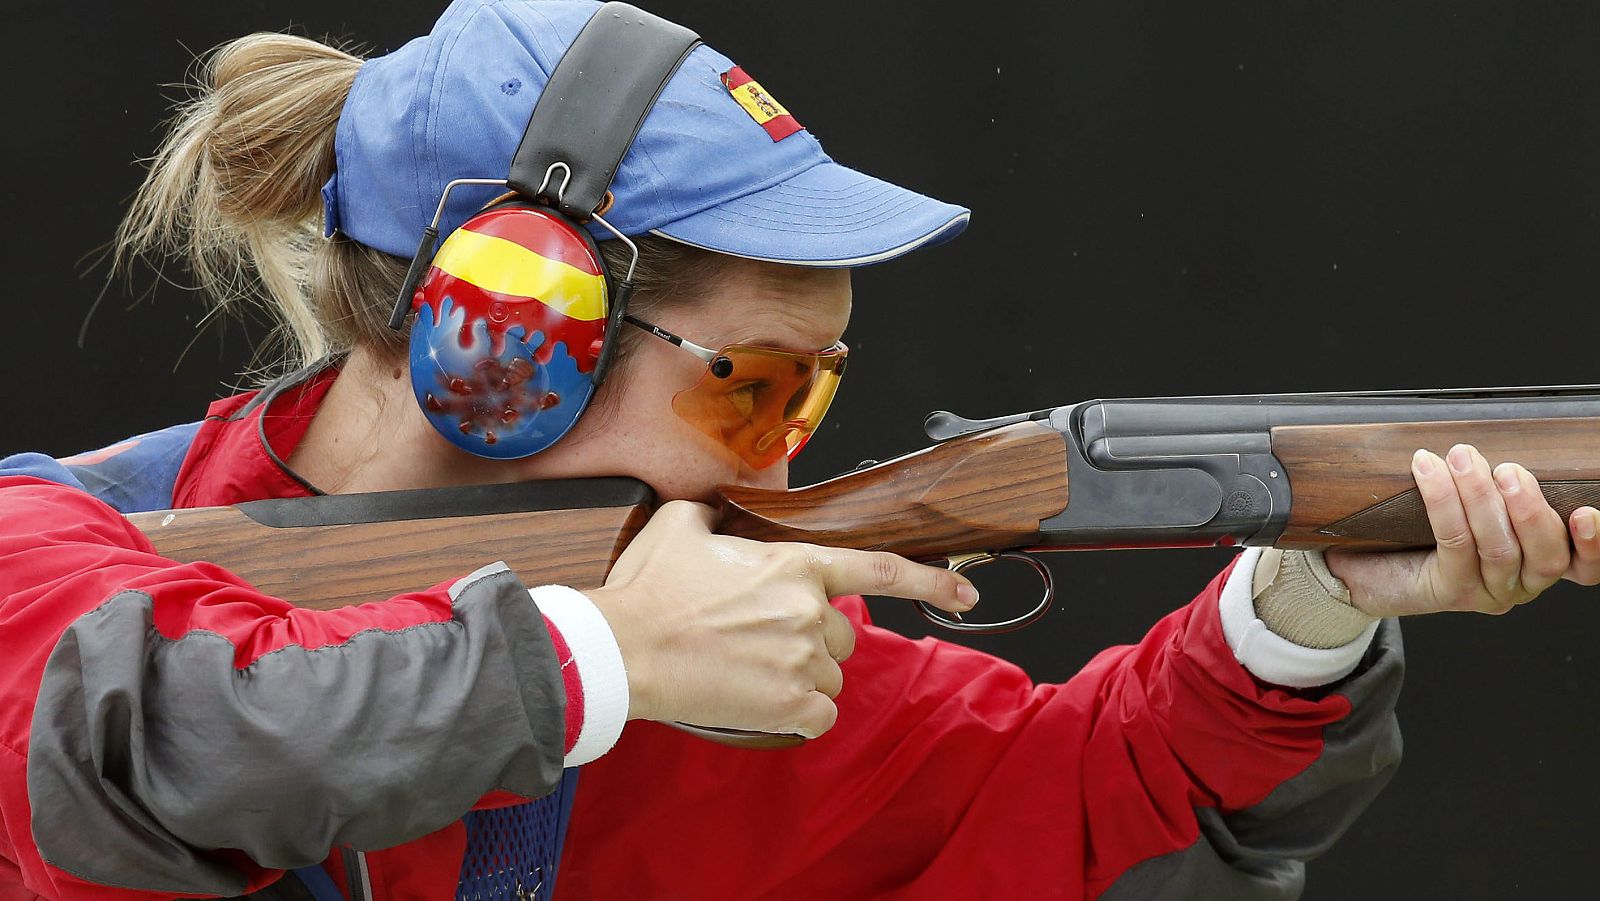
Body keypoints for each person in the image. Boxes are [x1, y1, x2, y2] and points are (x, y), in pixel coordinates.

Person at [1, 1, 1595, 898]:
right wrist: (592, 663)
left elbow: (1125, 814)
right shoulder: (54, 552)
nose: (776, 470)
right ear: (505, 340)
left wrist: (1307, 605)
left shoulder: (720, 649)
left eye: (812, 402)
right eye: (753, 387)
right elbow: (159, 750)